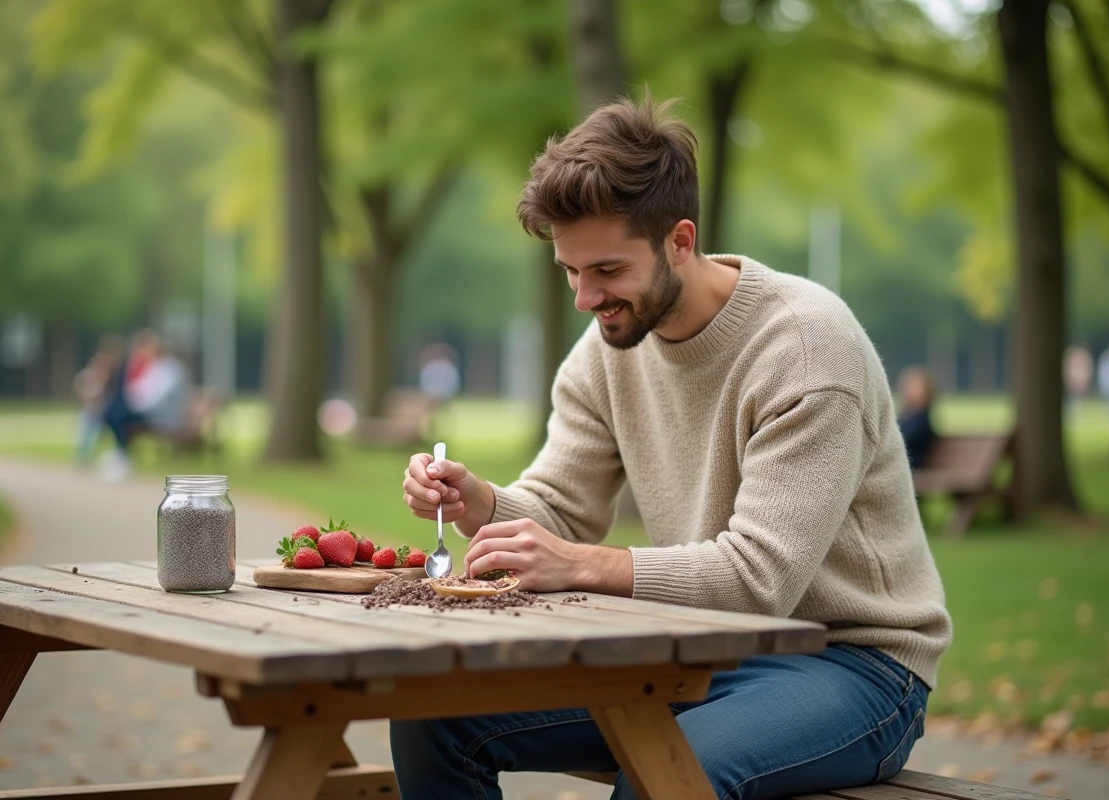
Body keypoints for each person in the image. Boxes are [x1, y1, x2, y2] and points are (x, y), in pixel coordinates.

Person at [397, 94, 951, 800]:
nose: (584, 298)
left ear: (680, 240)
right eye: (570, 272)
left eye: (606, 271)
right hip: (691, 651)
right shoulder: (608, 349)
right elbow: (561, 508)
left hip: (854, 667)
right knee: (435, 718)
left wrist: (585, 563)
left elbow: (758, 582)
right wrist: (476, 501)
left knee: (664, 781)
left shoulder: (808, 352)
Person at [99, 331, 190, 480]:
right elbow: (139, 390)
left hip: (164, 417)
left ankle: (122, 456)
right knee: (115, 414)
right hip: (152, 412)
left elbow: (157, 398)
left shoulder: (170, 369)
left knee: (119, 416)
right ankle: (121, 455)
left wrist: (134, 404)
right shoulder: (156, 367)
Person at [73, 333, 126, 465]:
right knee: (89, 418)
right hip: (97, 407)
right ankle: (84, 454)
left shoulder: (118, 368)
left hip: (108, 406)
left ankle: (85, 454)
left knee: (90, 419)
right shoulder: (100, 364)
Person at [897, 366, 938, 470]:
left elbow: (904, 440)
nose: (909, 390)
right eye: (907, 385)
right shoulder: (904, 417)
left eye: (914, 385)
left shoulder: (922, 421)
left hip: (910, 469)